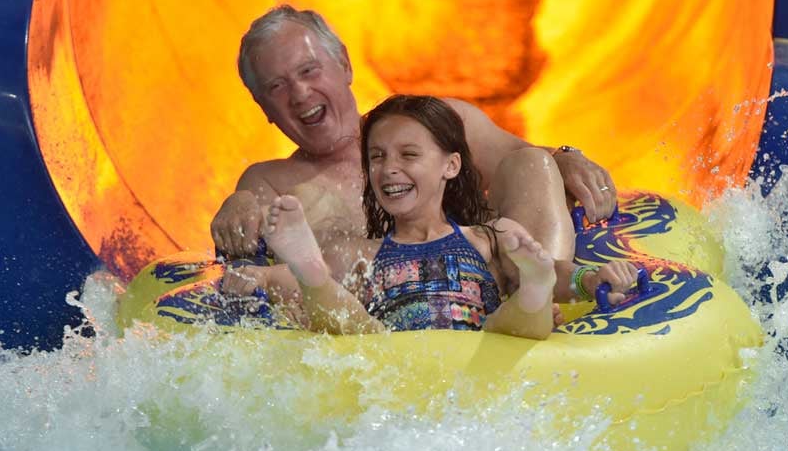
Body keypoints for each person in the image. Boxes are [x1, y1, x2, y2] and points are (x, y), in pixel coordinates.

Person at [212, 5, 618, 306]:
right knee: (335, 254)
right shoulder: (269, 181)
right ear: (263, 107)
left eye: (308, 71)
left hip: (491, 302)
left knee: (533, 165)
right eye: (277, 87)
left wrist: (563, 156)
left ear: (344, 66)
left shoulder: (433, 122)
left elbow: (523, 158)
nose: (299, 94)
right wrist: (238, 205)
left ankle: (543, 299)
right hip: (383, 331)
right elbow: (252, 244)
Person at [258, 95, 637, 339]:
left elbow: (560, 272)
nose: (389, 169)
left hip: (480, 351)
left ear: (451, 166)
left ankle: (533, 289)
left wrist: (592, 279)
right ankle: (313, 275)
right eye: (377, 157)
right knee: (359, 327)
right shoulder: (361, 254)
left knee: (508, 319)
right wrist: (260, 277)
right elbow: (282, 283)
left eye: (408, 155)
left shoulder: (489, 238)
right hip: (395, 358)